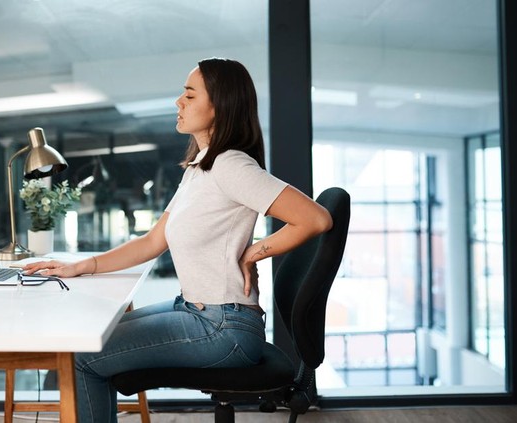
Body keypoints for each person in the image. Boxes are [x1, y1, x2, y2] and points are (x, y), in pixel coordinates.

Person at [22, 57, 333, 422]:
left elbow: (316, 218)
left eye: (189, 95)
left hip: (222, 327)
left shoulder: (232, 166)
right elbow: (153, 241)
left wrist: (253, 254)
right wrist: (81, 266)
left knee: (81, 358)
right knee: (93, 334)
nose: (178, 103)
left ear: (221, 106)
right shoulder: (201, 167)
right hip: (197, 310)